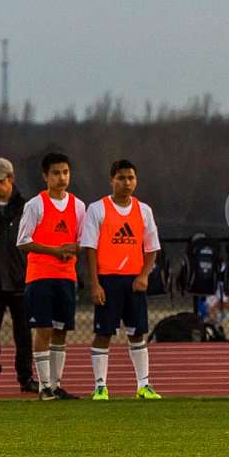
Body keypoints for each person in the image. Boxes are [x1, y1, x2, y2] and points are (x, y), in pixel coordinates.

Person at [79, 159, 162, 401]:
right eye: (122, 178)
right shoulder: (98, 209)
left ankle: (143, 386)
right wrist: (95, 283)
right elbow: (90, 249)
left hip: (134, 282)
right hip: (108, 280)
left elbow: (152, 247)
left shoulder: (144, 210)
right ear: (112, 180)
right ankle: (100, 386)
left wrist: (144, 275)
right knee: (104, 333)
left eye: (131, 178)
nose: (127, 183)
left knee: (137, 333)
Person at [16, 152, 86, 400]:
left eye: (65, 172)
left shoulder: (78, 205)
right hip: (40, 276)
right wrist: (53, 250)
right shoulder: (35, 205)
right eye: (56, 173)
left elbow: (83, 241)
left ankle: (56, 385)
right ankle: (44, 386)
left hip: (66, 276)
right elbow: (23, 242)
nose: (62, 177)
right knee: (43, 329)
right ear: (45, 176)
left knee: (61, 331)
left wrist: (73, 249)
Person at [0, 158, 36, 394]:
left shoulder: (26, 207)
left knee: (24, 334)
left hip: (19, 278)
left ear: (11, 178)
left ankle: (26, 377)